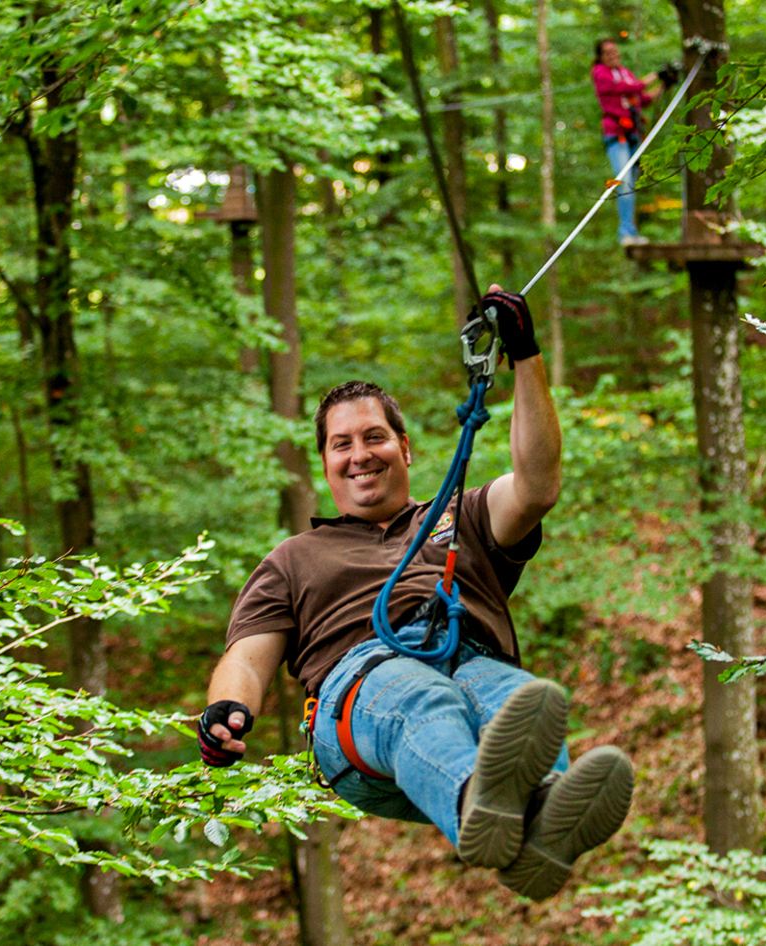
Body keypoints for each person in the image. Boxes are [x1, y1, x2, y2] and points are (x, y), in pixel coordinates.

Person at [197, 288, 635, 901]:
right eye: (340, 444)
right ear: (324, 463)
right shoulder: (293, 561)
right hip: (360, 703)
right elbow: (247, 658)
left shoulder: (464, 516)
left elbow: (536, 485)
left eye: (373, 437)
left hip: (470, 662)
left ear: (404, 447)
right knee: (419, 694)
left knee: (520, 698)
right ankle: (474, 807)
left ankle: (538, 834)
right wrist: (226, 710)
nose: (359, 455)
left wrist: (525, 355)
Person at [591, 39, 661, 244]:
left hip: (633, 134)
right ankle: (626, 233)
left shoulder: (625, 72)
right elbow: (628, 88)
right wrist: (654, 76)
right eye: (607, 53)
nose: (612, 55)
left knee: (632, 184)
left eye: (614, 51)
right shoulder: (601, 73)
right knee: (624, 182)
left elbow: (642, 99)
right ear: (601, 56)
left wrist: (664, 84)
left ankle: (630, 231)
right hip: (616, 135)